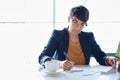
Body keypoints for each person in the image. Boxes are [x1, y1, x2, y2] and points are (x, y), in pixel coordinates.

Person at [38, 5, 117, 70]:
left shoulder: (89, 37)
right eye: (75, 22)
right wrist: (59, 64)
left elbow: (100, 56)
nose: (78, 27)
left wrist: (108, 60)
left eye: (82, 24)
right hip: (63, 76)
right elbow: (42, 57)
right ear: (69, 19)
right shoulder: (58, 35)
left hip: (84, 76)